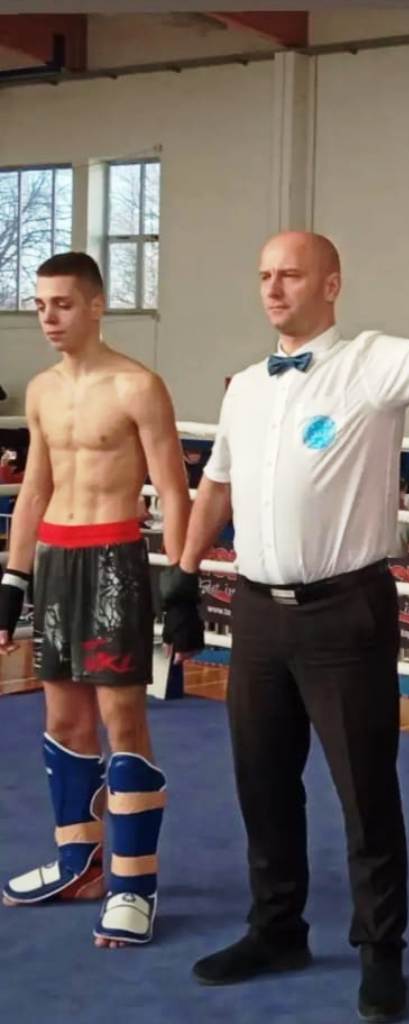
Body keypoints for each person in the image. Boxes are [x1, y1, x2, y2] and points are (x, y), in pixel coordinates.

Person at [176, 228, 409, 1021]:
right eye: (265, 275)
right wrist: (182, 570)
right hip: (255, 611)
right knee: (261, 782)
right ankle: (276, 929)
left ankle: (381, 950)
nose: (273, 288)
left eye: (290, 274)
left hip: (345, 612)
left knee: (364, 789)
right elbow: (217, 486)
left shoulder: (368, 363)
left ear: (331, 284)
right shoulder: (246, 386)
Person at [0, 252, 202, 948]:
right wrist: (13, 579)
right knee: (62, 718)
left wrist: (180, 581)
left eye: (61, 303)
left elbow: (173, 489)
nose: (48, 317)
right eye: (40, 305)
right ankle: (78, 864)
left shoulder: (138, 385)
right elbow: (34, 489)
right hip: (55, 560)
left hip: (115, 558)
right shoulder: (41, 391)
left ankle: (133, 884)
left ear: (94, 305)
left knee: (123, 721)